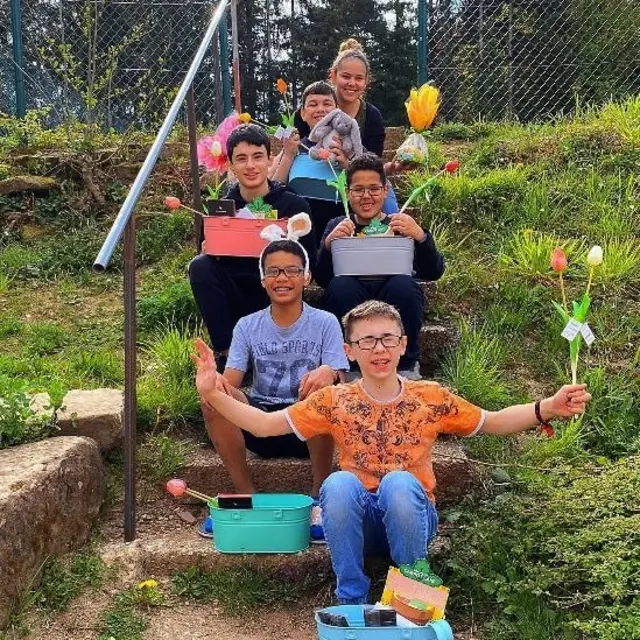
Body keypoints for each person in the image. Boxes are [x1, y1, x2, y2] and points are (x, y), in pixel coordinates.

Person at [191, 300, 592, 605]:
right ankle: (351, 596)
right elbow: (263, 425)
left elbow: (492, 421)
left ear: (402, 345)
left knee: (400, 482)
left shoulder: (430, 397)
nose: (377, 349)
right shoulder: (334, 399)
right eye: (366, 340)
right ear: (350, 351)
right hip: (356, 524)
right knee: (340, 483)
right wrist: (211, 391)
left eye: (386, 339)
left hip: (413, 519)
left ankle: (413, 588)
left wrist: (547, 407)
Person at [199, 237, 349, 542]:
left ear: (306, 277)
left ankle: (319, 494)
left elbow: (343, 383)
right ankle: (246, 494)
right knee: (214, 398)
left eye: (292, 271)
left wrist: (329, 370)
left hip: (307, 423)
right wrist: (211, 381)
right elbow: (231, 382)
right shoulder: (247, 325)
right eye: (274, 272)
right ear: (263, 280)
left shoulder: (326, 322)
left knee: (323, 392)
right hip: (260, 422)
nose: (282, 278)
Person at [189, 124, 317, 372]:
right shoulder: (222, 209)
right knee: (200, 266)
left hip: (276, 292)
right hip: (235, 295)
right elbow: (209, 256)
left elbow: (310, 261)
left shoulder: (293, 204)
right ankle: (228, 354)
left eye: (258, 157)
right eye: (241, 159)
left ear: (270, 160)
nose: (250, 166)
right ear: (231, 166)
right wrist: (209, 250)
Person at [315, 153, 445, 378]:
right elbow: (323, 278)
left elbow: (433, 271)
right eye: (358, 189)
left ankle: (405, 366)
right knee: (340, 287)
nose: (366, 196)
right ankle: (350, 365)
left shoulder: (399, 223)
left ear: (386, 191)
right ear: (348, 193)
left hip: (392, 291)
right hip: (352, 293)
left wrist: (421, 236)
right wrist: (329, 246)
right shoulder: (339, 224)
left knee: (404, 287)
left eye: (374, 189)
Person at [270, 81, 353, 241]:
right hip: (299, 232)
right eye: (313, 104)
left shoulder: (349, 146)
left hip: (342, 230)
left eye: (327, 104)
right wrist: (288, 155)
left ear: (337, 111)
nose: (320, 109)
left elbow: (366, 183)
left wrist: (347, 166)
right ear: (302, 113)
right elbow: (273, 192)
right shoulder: (293, 147)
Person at [294, 39, 385, 158]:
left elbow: (374, 161)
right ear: (333, 76)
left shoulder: (372, 116)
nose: (352, 83)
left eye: (359, 78)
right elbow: (292, 147)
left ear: (366, 81)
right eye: (346, 76)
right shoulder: (312, 111)